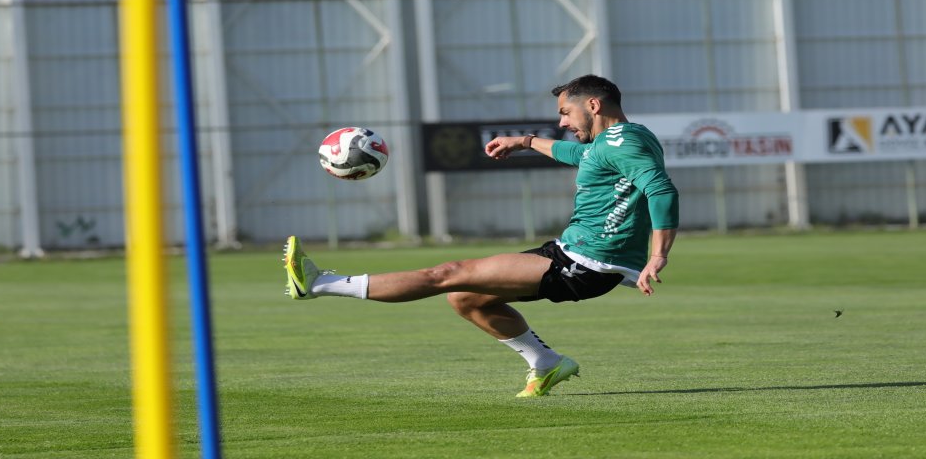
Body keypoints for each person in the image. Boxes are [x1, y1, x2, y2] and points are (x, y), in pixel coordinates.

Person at [283, 74, 679, 397]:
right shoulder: (608, 144)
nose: (561, 122)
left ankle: (320, 284)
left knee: (447, 274)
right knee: (467, 298)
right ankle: (546, 363)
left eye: (565, 112)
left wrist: (657, 256)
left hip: (588, 262)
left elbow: (660, 188)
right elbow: (573, 154)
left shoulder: (625, 141)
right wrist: (523, 142)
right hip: (571, 252)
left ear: (593, 105)